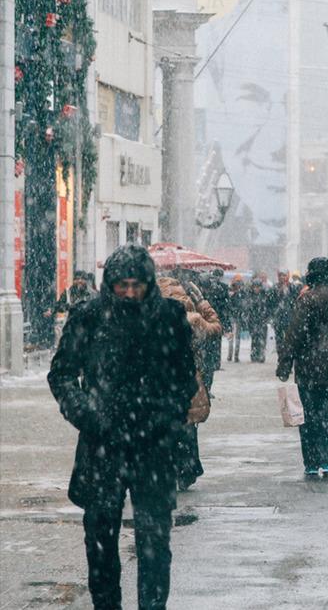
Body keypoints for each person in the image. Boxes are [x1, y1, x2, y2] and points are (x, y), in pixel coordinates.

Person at [47, 245, 199, 609]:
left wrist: (164, 414)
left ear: (148, 283)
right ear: (109, 284)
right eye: (121, 285)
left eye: (137, 285)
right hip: (102, 446)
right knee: (100, 540)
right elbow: (62, 374)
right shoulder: (89, 316)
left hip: (154, 446)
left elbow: (184, 378)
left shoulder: (169, 316)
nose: (130, 292)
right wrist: (89, 414)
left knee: (154, 543)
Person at [276, 258, 328, 477]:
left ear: (311, 274)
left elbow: (295, 333)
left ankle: (311, 463)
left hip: (309, 368)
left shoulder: (308, 299)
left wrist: (285, 362)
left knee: (309, 416)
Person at [157, 276, 218, 491]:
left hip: (160, 379)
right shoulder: (192, 318)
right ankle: (187, 469)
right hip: (188, 377)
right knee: (188, 425)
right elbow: (215, 329)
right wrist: (203, 303)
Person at [271, 270, 301, 355]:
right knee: (279, 338)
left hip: (289, 317)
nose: (282, 278)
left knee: (289, 338)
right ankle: (280, 355)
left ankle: (288, 354)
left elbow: (295, 300)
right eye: (280, 276)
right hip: (278, 317)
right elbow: (271, 302)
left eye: (284, 276)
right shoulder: (275, 287)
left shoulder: (292, 287)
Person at [245, 274, 274, 363]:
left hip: (262, 320)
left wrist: (267, 317)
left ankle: (261, 354)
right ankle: (254, 355)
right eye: (255, 287)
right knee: (254, 339)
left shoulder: (265, 296)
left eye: (258, 287)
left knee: (262, 338)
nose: (256, 289)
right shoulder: (250, 296)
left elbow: (268, 307)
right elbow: (247, 309)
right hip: (253, 321)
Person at [226, 276, 245, 362]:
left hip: (233, 316)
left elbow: (229, 305)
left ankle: (231, 355)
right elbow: (243, 305)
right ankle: (235, 356)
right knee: (236, 337)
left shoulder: (231, 293)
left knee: (232, 337)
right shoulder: (241, 294)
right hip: (237, 316)